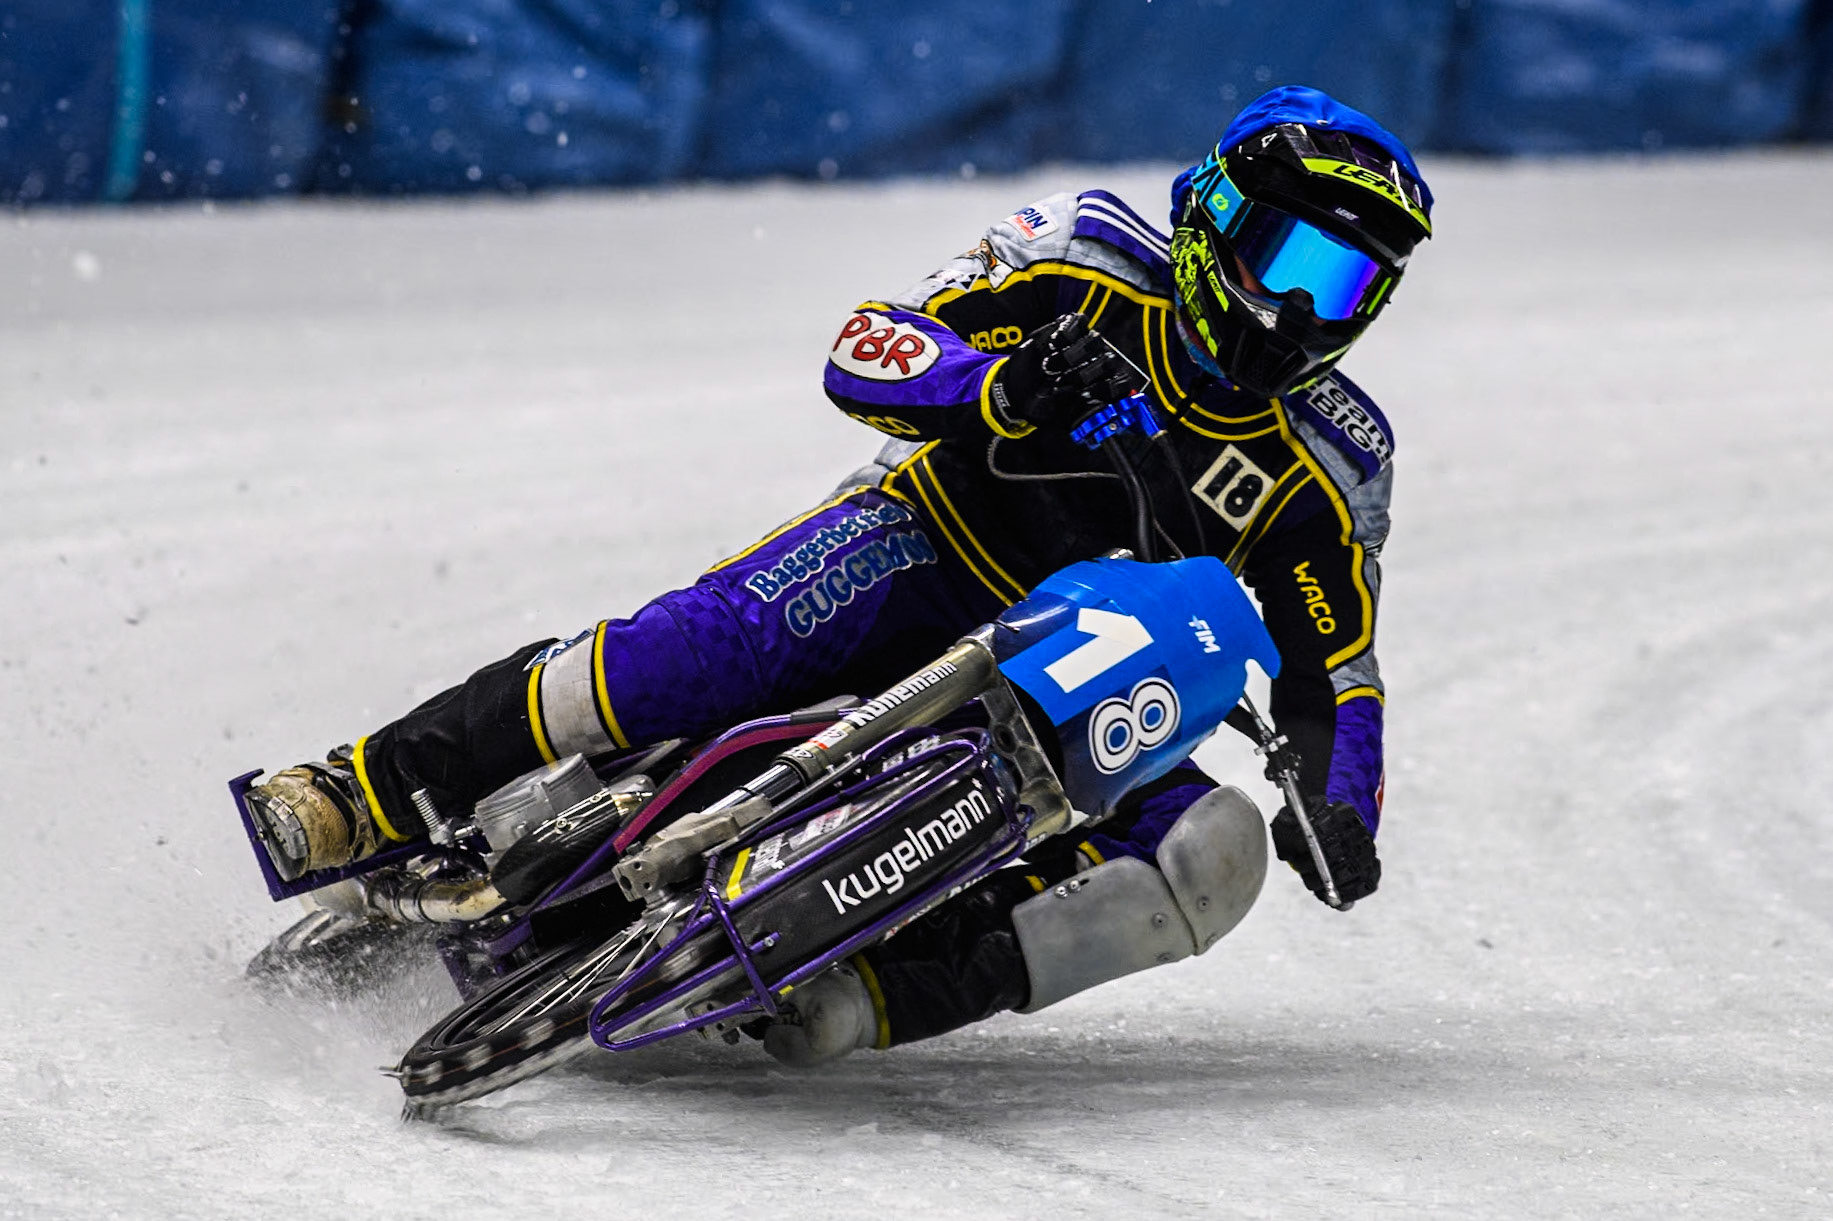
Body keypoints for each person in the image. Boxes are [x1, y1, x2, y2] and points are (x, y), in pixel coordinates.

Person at [247, 85, 1432, 1064]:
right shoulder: (1084, 254)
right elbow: (871, 341)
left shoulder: (1333, 466)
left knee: (1209, 856)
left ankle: (860, 995)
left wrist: (1338, 805)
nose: (1294, 312)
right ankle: (365, 790)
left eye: (1343, 288)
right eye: (1287, 259)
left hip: (1095, 687)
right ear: (1213, 215)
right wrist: (996, 389)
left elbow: (1339, 672)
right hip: (919, 547)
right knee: (696, 651)